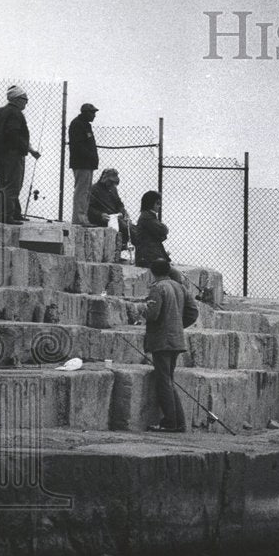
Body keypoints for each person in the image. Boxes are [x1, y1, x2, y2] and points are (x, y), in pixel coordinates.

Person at [144, 259, 198, 433]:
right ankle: (179, 422)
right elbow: (193, 312)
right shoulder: (180, 287)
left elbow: (152, 314)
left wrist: (137, 309)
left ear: (153, 271)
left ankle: (170, 422)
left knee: (164, 381)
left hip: (162, 341)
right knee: (168, 379)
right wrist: (177, 326)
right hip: (176, 339)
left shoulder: (157, 288)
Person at [0, 85, 41, 225]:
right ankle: (7, 216)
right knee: (13, 185)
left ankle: (3, 214)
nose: (26, 102)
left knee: (4, 184)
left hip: (1, 154)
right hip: (13, 154)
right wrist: (22, 146)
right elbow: (13, 133)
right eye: (25, 99)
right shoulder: (15, 113)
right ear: (18, 99)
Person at [87, 168, 132, 258]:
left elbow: (119, 204)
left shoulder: (113, 189)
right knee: (125, 228)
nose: (112, 184)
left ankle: (119, 251)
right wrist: (100, 215)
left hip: (115, 218)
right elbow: (89, 208)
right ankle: (116, 252)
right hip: (102, 219)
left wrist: (122, 212)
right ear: (104, 178)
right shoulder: (94, 189)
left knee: (130, 228)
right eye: (110, 182)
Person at [68, 103, 99, 225]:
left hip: (87, 163)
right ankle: (79, 218)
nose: (94, 115)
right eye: (92, 113)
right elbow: (79, 145)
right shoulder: (77, 124)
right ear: (85, 112)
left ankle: (83, 217)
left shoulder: (85, 125)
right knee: (81, 191)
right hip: (82, 163)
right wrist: (90, 157)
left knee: (85, 191)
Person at [133, 191, 169, 268]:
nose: (159, 206)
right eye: (157, 203)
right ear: (150, 204)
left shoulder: (148, 216)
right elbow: (163, 230)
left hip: (149, 256)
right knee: (175, 274)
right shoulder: (147, 217)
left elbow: (160, 234)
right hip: (148, 258)